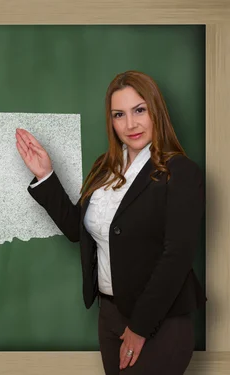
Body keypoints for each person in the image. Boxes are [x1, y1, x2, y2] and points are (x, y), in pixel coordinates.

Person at [15, 70, 206, 375]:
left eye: (139, 110)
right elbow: (77, 228)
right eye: (119, 114)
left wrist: (140, 327)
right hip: (110, 316)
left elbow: (177, 257)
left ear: (156, 110)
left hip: (158, 321)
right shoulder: (105, 168)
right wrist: (45, 175)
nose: (130, 124)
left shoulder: (180, 172)